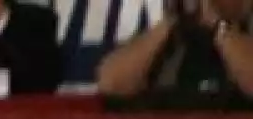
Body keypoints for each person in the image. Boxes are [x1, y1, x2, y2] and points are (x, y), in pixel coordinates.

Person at [95, 0, 253, 101]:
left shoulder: (243, 31)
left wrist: (219, 27)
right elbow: (110, 84)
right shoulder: (172, 36)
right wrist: (169, 21)